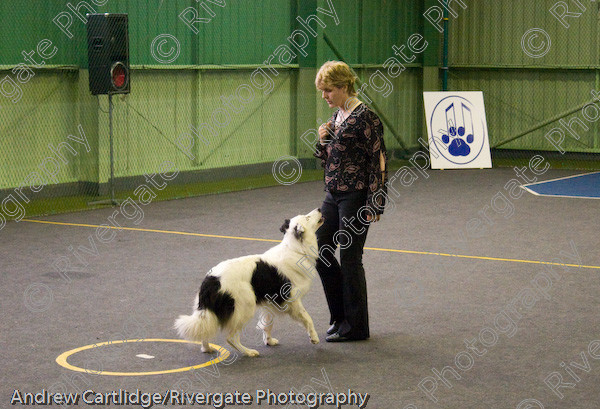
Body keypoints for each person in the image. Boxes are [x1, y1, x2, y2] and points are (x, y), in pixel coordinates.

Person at [313, 61, 388, 342]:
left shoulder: (366, 118)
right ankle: (339, 317)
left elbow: (378, 160)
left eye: (328, 90)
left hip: (356, 196)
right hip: (333, 194)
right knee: (319, 250)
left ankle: (356, 327)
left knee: (351, 258)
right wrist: (323, 141)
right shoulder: (337, 118)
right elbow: (328, 159)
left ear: (344, 87)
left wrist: (375, 202)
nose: (325, 97)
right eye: (322, 91)